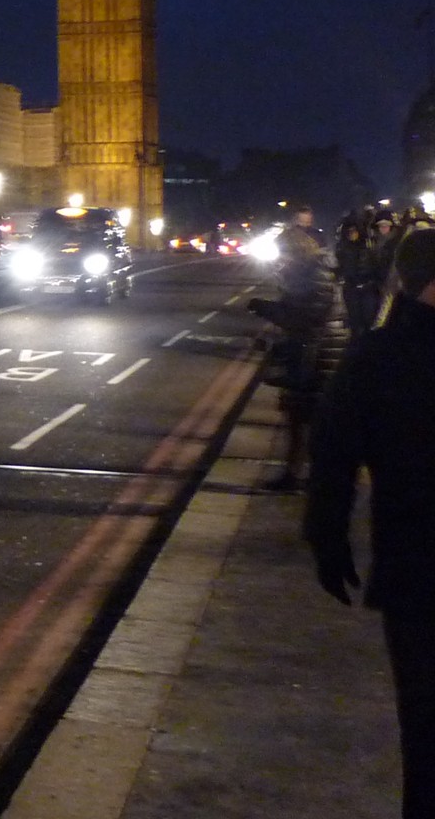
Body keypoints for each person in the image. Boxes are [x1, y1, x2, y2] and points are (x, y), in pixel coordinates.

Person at [307, 227, 435, 819]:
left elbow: (333, 454)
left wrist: (328, 540)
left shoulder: (379, 355)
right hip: (417, 572)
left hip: (416, 570)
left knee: (426, 731)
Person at [248, 202, 335, 489]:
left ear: (295, 253)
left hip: (318, 359)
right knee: (299, 420)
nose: (280, 262)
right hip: (311, 354)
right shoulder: (309, 272)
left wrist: (268, 310)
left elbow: (306, 317)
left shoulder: (314, 275)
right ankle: (296, 474)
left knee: (307, 421)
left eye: (283, 255)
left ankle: (308, 477)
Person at [340, 216, 382, 339]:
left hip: (367, 286)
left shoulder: (368, 245)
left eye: (354, 231)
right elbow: (339, 267)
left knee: (369, 318)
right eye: (349, 232)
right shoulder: (342, 248)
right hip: (351, 287)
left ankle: (367, 344)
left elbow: (375, 264)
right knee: (355, 319)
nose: (352, 234)